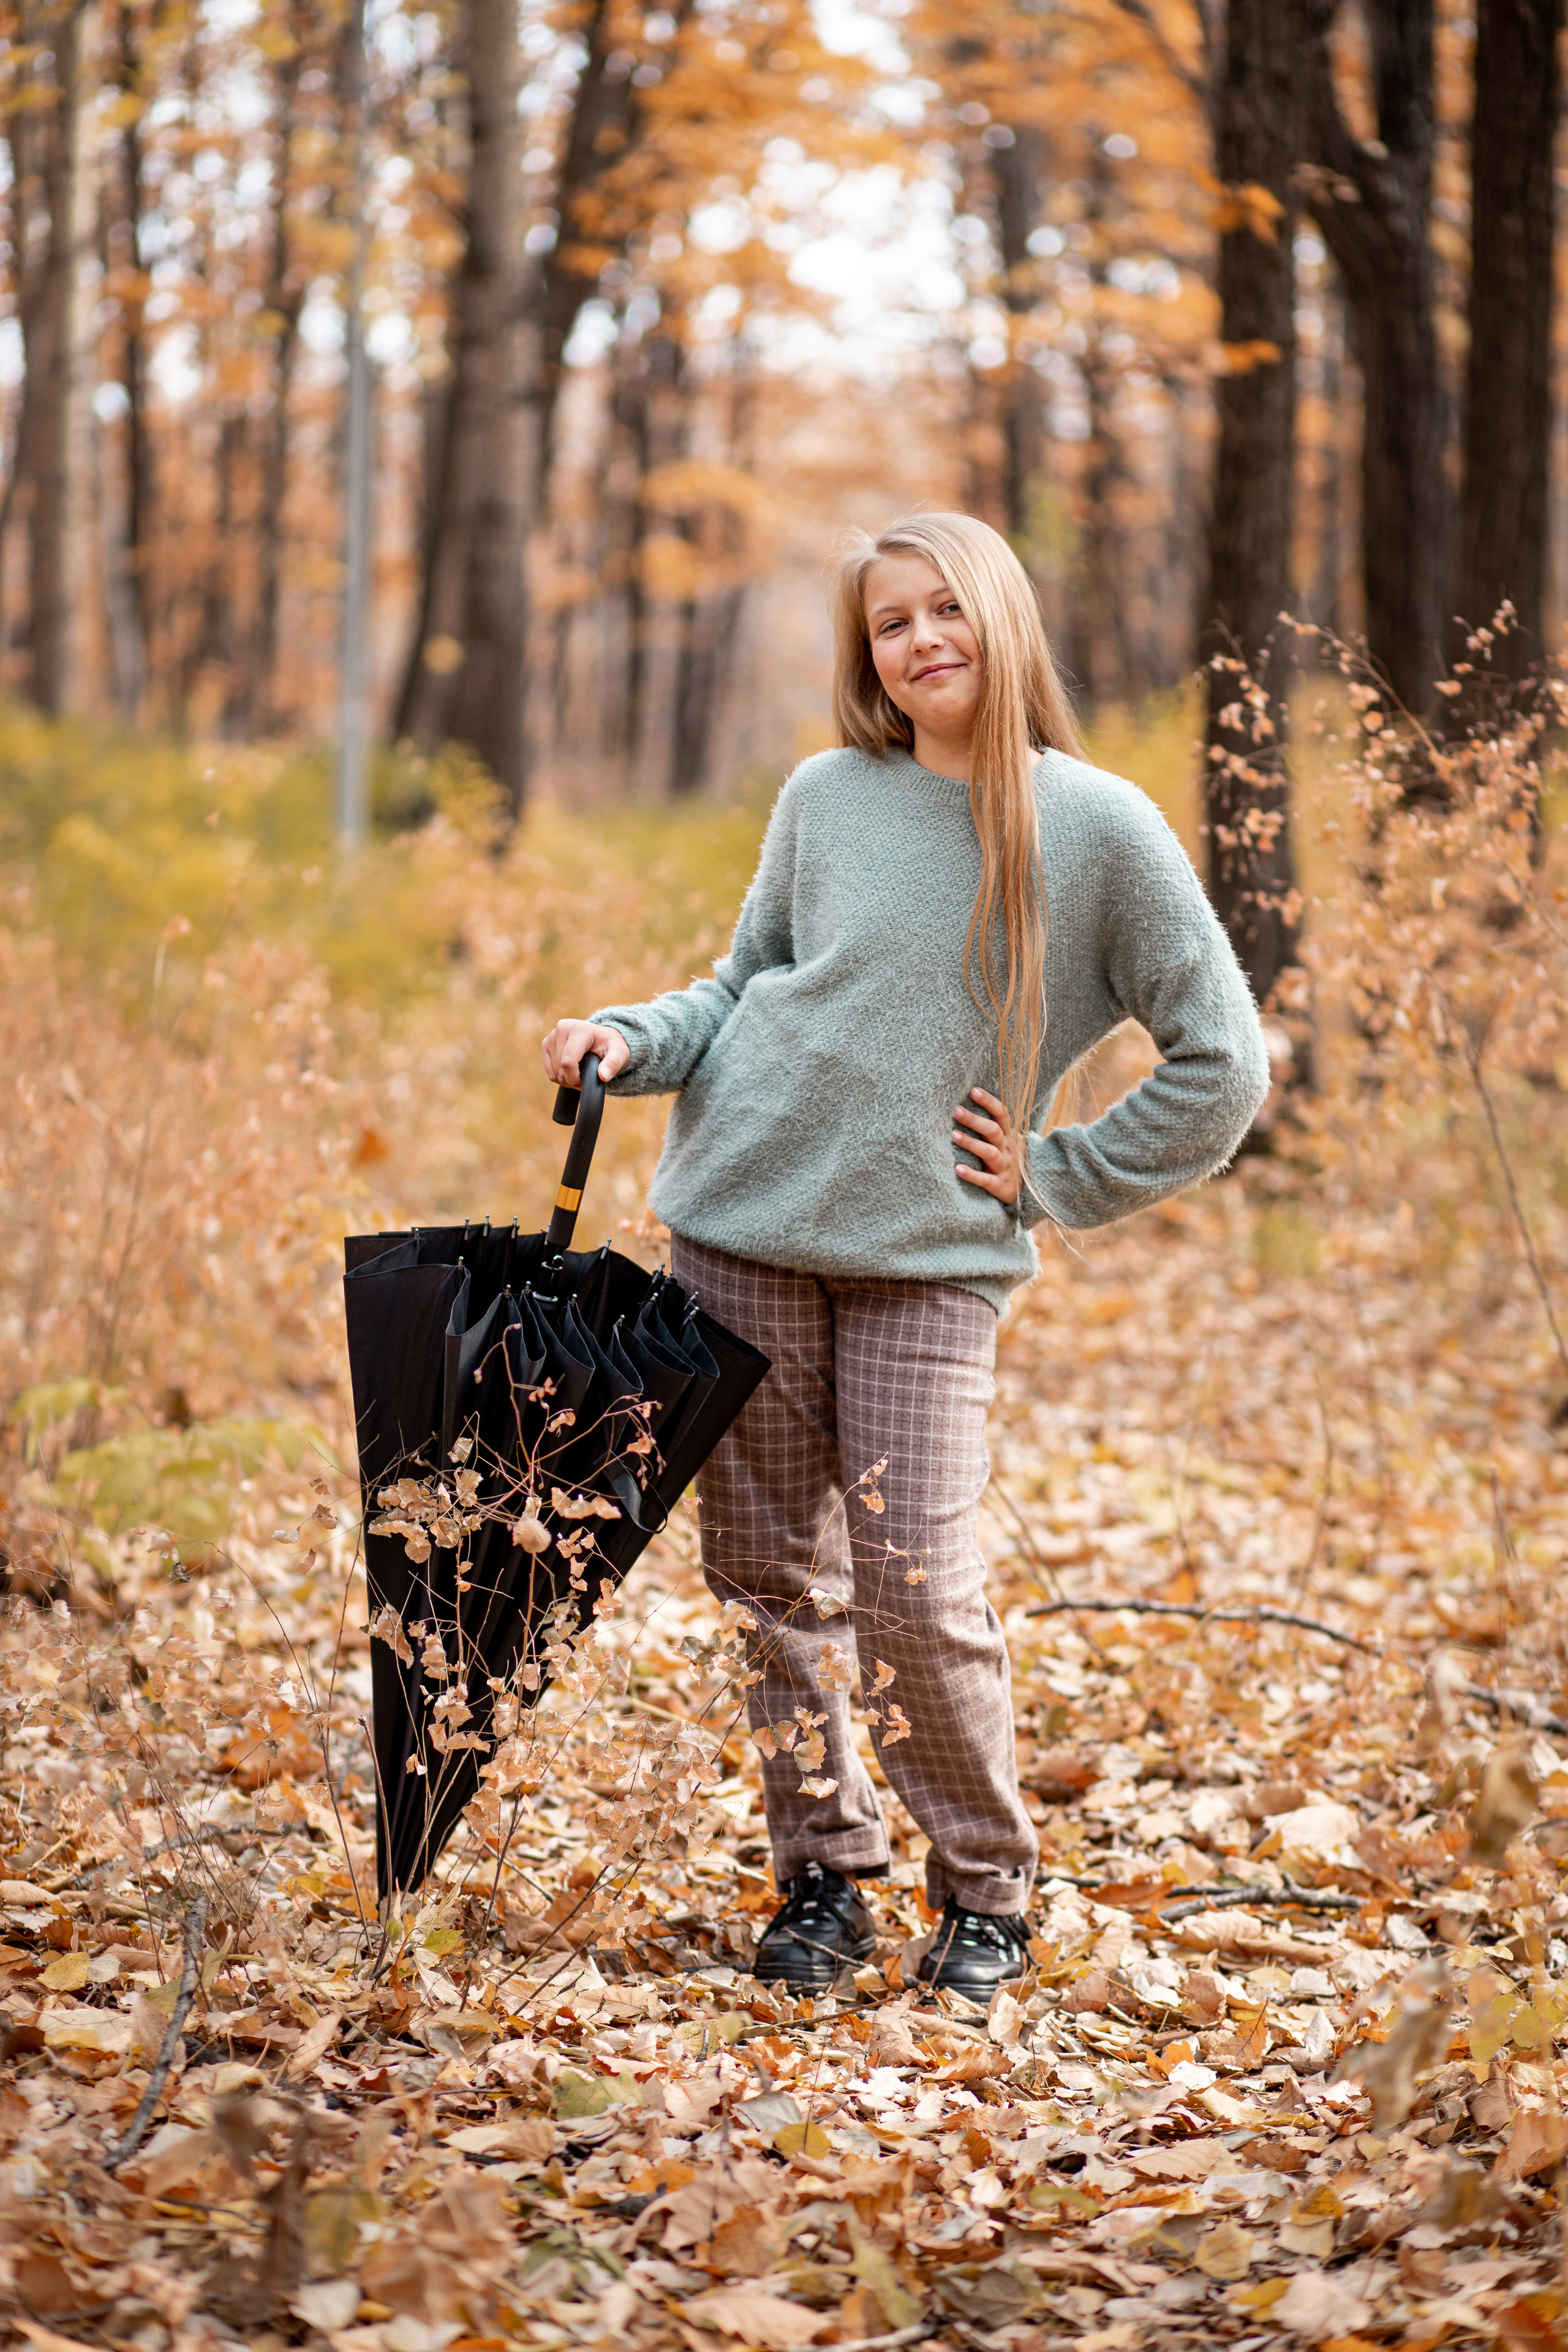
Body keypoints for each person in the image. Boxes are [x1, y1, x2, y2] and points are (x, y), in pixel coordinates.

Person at [542, 512, 1269, 2000]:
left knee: (917, 1585)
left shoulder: (1095, 826)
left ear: (1002, 617)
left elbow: (1222, 1062)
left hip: (933, 1258)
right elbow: (743, 986)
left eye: (946, 608)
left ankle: (986, 1893)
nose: (922, 639)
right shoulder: (826, 795)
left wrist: (1056, 1175)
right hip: (737, 1223)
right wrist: (628, 1035)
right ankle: (821, 1877)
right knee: (767, 1578)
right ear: (865, 652)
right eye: (890, 622)